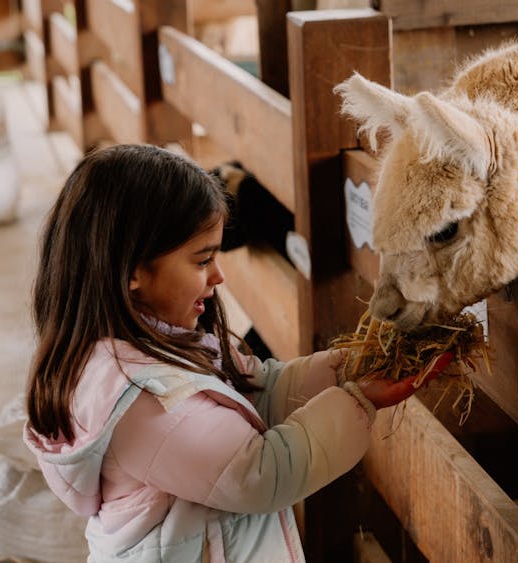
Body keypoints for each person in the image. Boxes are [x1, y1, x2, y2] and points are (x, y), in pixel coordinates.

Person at [23, 144, 450, 562]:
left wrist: (344, 371)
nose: (219, 275)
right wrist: (359, 401)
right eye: (202, 260)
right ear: (133, 271)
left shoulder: (165, 342)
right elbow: (257, 474)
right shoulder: (140, 397)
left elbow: (255, 392)